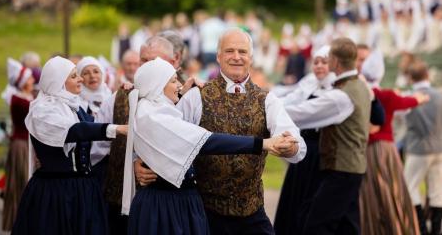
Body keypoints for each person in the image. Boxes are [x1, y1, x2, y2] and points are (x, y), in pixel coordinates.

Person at [122, 57, 297, 234]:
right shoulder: (154, 117)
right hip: (165, 206)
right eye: (174, 81)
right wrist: (263, 143)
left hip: (178, 202)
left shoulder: (154, 110)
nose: (179, 85)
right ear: (156, 86)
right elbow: (208, 141)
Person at [177, 28, 307, 234]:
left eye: (242, 52)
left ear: (251, 58)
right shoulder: (196, 96)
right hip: (205, 212)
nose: (236, 57)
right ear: (218, 56)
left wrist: (290, 147)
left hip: (251, 213)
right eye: (230, 51)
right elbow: (172, 139)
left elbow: (295, 142)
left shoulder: (267, 99)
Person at [12, 56, 128, 235]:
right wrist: (115, 129)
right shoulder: (43, 110)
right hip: (55, 193)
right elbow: (74, 131)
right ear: (57, 82)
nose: (81, 79)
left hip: (83, 190)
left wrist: (124, 94)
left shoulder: (75, 107)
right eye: (74, 76)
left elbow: (95, 122)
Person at [102, 35, 193, 234]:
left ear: (174, 60)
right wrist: (135, 160)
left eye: (151, 61)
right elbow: (100, 145)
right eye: (142, 60)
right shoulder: (121, 95)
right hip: (122, 197)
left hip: (174, 202)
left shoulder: (193, 94)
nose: (142, 66)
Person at [289, 37, 371, 235]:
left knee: (316, 226)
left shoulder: (341, 95)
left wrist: (264, 109)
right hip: (353, 168)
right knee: (347, 226)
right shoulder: (358, 85)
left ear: (334, 61)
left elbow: (302, 113)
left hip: (341, 170)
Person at [358, 50, 427, 235]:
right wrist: (421, 97)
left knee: (370, 193)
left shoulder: (361, 93)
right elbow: (410, 101)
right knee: (392, 190)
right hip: (385, 149)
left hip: (365, 149)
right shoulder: (387, 95)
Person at [274, 45, 335, 234]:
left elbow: (305, 112)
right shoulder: (309, 82)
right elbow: (291, 97)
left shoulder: (336, 88)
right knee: (295, 198)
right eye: (316, 62)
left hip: (323, 151)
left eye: (324, 62)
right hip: (304, 149)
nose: (319, 66)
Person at [403, 61, 442, 235]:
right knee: (437, 191)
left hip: (418, 149)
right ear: (427, 75)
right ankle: (435, 230)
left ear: (410, 78)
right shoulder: (440, 95)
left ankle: (421, 228)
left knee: (409, 188)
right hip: (439, 148)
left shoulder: (408, 96)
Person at [2, 58, 34, 231]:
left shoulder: (26, 97)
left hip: (26, 142)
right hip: (21, 144)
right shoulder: (19, 100)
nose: (33, 81)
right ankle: (18, 221)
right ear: (22, 82)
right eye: (29, 79)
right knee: (22, 182)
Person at [76, 56, 113, 186]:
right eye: (86, 73)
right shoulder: (77, 103)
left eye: (96, 71)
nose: (92, 76)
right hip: (87, 164)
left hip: (111, 160)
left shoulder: (110, 98)